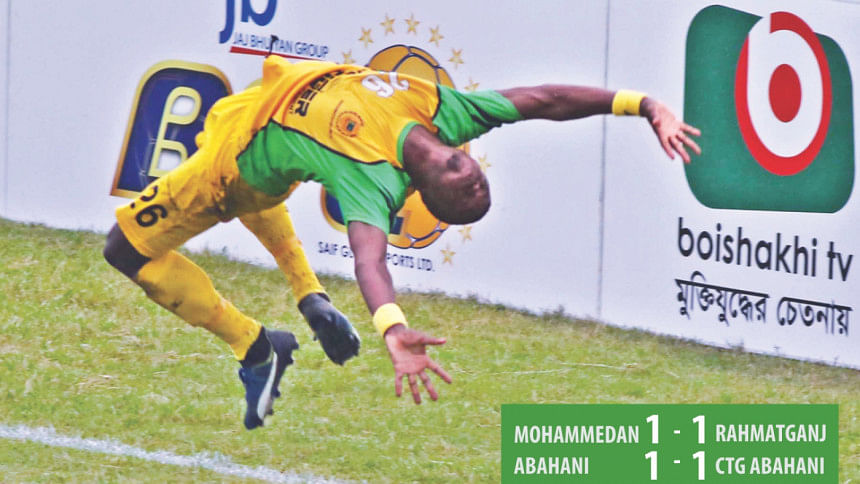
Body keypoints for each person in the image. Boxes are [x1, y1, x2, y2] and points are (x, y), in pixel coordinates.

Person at [103, 54, 700, 429]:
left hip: (232, 168)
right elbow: (545, 101)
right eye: (477, 182)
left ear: (423, 195)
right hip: (264, 104)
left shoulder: (374, 182)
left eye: (463, 197)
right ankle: (309, 301)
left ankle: (254, 344)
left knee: (124, 251)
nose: (472, 183)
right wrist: (643, 105)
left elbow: (370, 261)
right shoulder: (447, 112)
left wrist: (392, 329)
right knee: (268, 186)